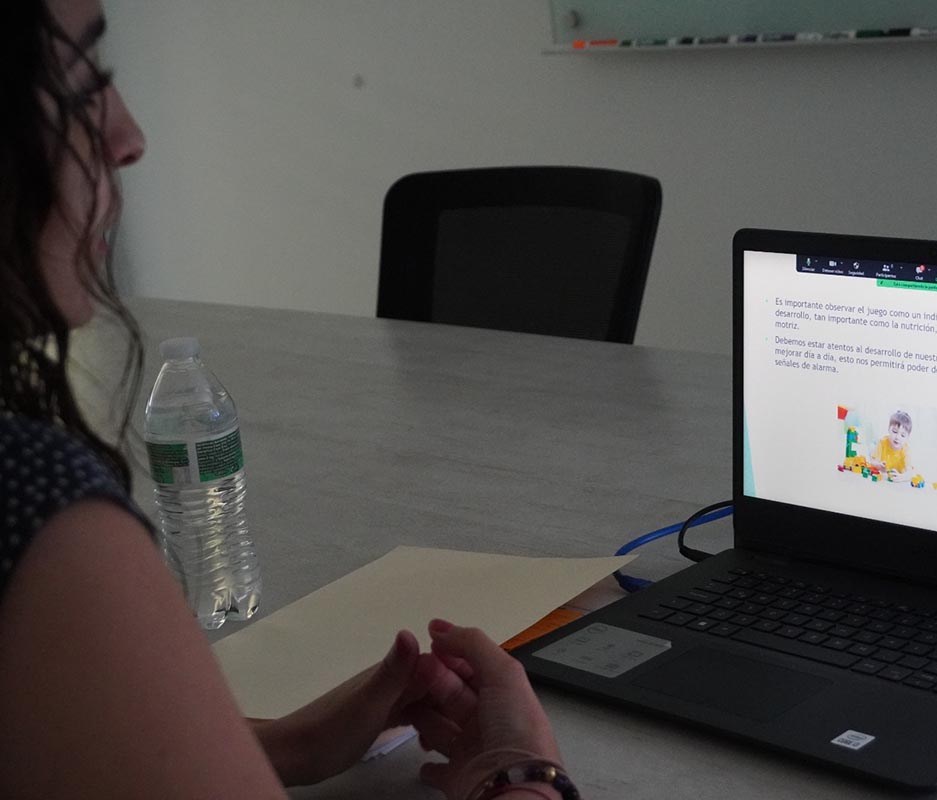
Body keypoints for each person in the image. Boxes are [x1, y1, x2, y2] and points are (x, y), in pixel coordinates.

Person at [0, 2, 572, 798]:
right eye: (83, 85)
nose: (129, 137)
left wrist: (281, 746)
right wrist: (521, 771)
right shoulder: (31, 506)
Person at [868, 409, 914, 480]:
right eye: (895, 431)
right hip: (884, 475)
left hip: (897, 475)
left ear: (907, 437)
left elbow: (910, 472)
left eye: (902, 435)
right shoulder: (882, 443)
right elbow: (872, 462)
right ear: (889, 429)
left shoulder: (905, 449)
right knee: (872, 448)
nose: (897, 437)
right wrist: (879, 465)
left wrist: (902, 477)